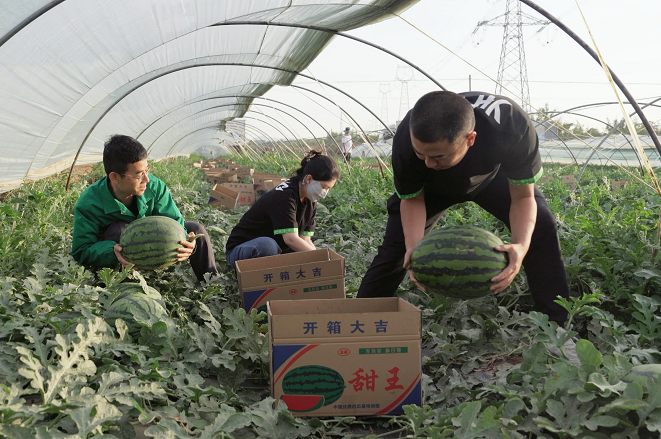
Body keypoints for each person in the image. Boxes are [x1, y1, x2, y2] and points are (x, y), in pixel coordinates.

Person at [357, 91, 576, 359]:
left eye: (437, 156)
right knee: (396, 250)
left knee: (540, 226)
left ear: (470, 139)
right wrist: (415, 249)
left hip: (490, 178)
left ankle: (556, 330)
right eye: (420, 154)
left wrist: (520, 245)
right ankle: (359, 325)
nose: (427, 162)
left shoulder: (510, 127)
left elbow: (523, 197)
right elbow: (412, 201)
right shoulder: (407, 139)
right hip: (432, 187)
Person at [70, 135, 217, 281]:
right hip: (119, 260)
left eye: (147, 170)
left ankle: (211, 283)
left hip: (155, 248)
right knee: (120, 230)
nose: (146, 179)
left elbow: (174, 222)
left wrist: (187, 243)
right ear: (115, 177)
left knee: (196, 230)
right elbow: (81, 250)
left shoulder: (154, 187)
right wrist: (111, 252)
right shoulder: (90, 202)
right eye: (139, 175)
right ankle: (126, 289)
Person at [225, 150, 340, 267]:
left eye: (328, 189)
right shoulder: (284, 196)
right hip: (243, 249)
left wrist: (321, 259)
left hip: (278, 249)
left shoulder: (310, 200)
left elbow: (305, 239)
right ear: (309, 179)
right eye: (324, 187)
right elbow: (290, 239)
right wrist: (319, 259)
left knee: (322, 252)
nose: (325, 193)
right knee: (267, 246)